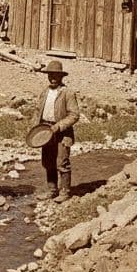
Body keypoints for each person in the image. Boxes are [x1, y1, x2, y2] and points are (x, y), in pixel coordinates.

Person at [34, 60, 80, 202]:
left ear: (61, 77)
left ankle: (65, 192)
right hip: (46, 131)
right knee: (48, 162)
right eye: (50, 75)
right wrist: (35, 130)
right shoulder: (45, 92)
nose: (52, 78)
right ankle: (52, 190)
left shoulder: (67, 93)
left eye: (55, 75)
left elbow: (74, 115)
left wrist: (58, 126)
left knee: (62, 162)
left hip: (62, 133)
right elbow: (37, 112)